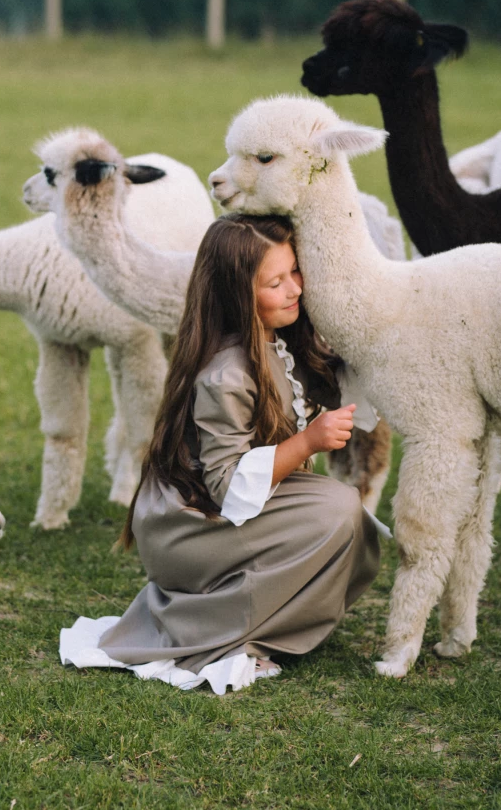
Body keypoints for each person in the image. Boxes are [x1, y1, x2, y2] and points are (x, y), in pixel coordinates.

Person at [60, 213, 387, 694]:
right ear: (238, 295)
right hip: (188, 523)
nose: (295, 288)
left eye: (295, 271)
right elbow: (227, 485)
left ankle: (263, 624)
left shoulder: (281, 341)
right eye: (276, 282)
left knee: (349, 520)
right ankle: (226, 635)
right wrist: (308, 442)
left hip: (223, 509)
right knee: (336, 508)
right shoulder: (226, 374)